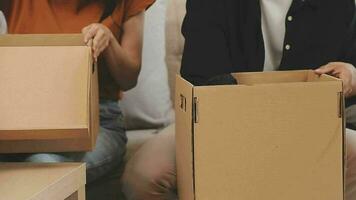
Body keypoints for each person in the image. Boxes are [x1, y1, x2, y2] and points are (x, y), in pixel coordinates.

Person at [121, 0, 356, 199]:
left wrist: (351, 74)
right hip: (216, 122)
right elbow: (200, 76)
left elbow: (347, 71)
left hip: (306, 125)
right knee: (144, 173)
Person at [0, 0, 154, 184]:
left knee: (42, 168)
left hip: (98, 122)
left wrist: (109, 41)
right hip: (22, 120)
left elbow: (129, 79)